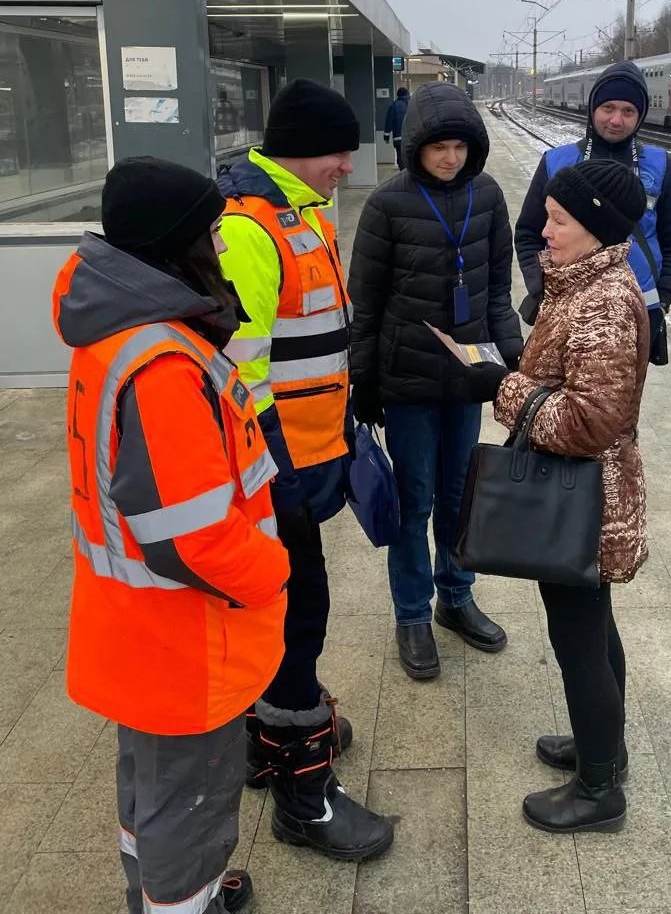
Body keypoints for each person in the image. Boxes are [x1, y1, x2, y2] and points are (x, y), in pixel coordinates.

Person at [53, 157, 290, 914]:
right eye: (211, 233)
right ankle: (183, 900)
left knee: (149, 795)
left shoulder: (116, 334)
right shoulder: (161, 363)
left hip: (135, 632)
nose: (222, 247)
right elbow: (192, 540)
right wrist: (273, 570)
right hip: (187, 644)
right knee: (190, 813)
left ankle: (151, 891)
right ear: (174, 245)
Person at [217, 78, 394, 862]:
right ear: (300, 150)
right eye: (337, 153)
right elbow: (236, 373)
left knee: (290, 611)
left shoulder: (300, 216)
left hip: (310, 455)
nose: (346, 169)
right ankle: (303, 794)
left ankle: (269, 738)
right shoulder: (251, 231)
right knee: (298, 616)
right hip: (275, 470)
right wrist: (274, 473)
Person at [462, 158, 650, 835]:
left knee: (578, 640)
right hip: (585, 496)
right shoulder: (584, 282)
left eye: (559, 219)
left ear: (595, 228)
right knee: (593, 627)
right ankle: (606, 746)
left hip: (580, 501)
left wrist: (501, 388)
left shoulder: (602, 303)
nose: (545, 228)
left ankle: (599, 790)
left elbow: (589, 424)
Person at [348, 81, 523, 680]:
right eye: (438, 147)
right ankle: (412, 614)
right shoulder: (387, 205)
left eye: (459, 147)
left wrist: (519, 364)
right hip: (407, 382)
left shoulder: (490, 196)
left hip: (467, 379)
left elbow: (499, 294)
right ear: (417, 147)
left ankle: (457, 595)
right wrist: (362, 380)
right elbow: (365, 305)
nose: (450, 158)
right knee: (413, 500)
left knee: (459, 495)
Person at [514, 61, 671, 356]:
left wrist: (666, 292)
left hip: (637, 312)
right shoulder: (556, 162)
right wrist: (539, 286)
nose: (616, 120)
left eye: (628, 111)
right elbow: (527, 233)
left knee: (620, 396)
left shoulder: (659, 166)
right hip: (565, 311)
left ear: (640, 116)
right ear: (593, 108)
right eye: (608, 108)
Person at [383, 85, 410, 167]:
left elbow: (389, 122)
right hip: (412, 137)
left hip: (398, 138)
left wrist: (386, 136)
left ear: (398, 95)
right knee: (410, 157)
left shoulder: (394, 106)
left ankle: (403, 174)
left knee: (401, 158)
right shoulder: (413, 104)